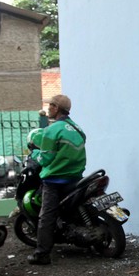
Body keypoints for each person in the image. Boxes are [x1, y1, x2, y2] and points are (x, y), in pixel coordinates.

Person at [26, 94, 86, 265]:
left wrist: (35, 154)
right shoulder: (77, 128)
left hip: (55, 181)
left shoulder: (52, 130)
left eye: (50, 105)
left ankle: (42, 254)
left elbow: (45, 159)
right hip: (76, 178)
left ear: (56, 108)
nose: (48, 109)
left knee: (46, 217)